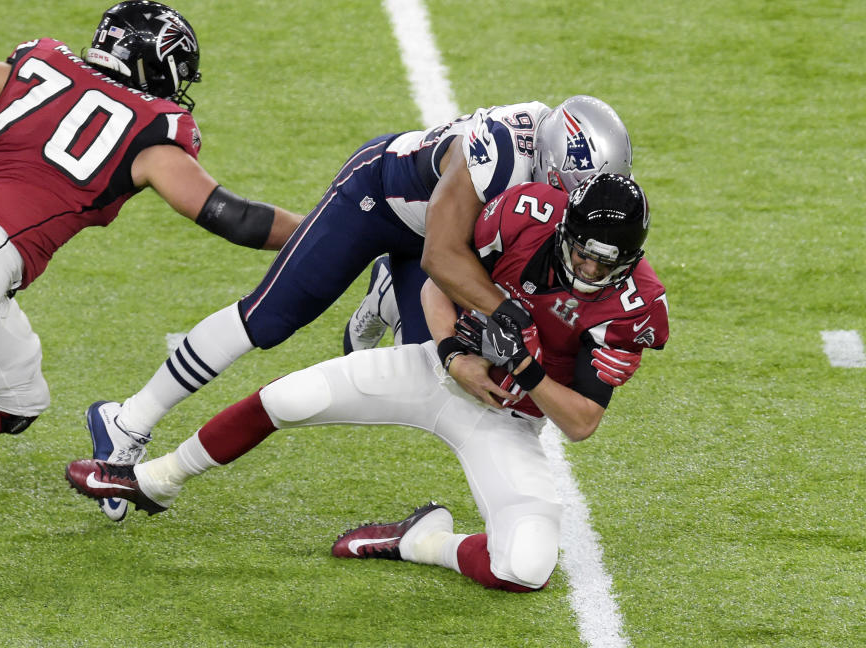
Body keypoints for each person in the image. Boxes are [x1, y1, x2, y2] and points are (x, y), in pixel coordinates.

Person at [66, 173, 670, 592]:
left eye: (606, 262)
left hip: (509, 419)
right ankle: (155, 479)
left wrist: (527, 369)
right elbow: (438, 283)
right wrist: (454, 353)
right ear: (563, 226)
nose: (590, 270)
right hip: (437, 373)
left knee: (527, 567)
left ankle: (420, 542)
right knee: (289, 397)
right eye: (583, 254)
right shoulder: (523, 216)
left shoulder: (634, 304)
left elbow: (582, 422)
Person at [83, 94, 634, 521]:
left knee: (435, 363)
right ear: (553, 165)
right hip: (380, 199)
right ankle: (128, 418)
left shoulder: (573, 178)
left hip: (445, 242)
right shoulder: (499, 150)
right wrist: (514, 317)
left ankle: (389, 295)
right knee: (269, 318)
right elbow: (443, 254)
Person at [0, 2, 301, 442]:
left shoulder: (32, 69)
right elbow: (237, 218)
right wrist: (329, 233)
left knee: (15, 401)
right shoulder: (153, 133)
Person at [342, 95, 634, 353]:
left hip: (475, 260)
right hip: (454, 252)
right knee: (431, 366)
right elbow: (443, 258)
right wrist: (509, 319)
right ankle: (391, 297)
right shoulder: (500, 173)